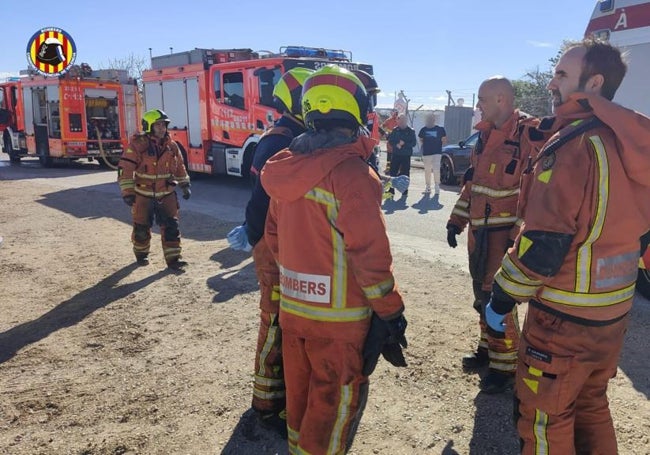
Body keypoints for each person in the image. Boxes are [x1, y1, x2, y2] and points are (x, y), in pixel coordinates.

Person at [485, 39, 650, 454]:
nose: (551, 84)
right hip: (611, 317)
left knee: (544, 420)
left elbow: (542, 245)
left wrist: (501, 298)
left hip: (563, 320)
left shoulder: (575, 144)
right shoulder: (628, 142)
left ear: (592, 82)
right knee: (591, 406)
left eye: (561, 75)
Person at [261, 64, 407, 454]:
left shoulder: (286, 169)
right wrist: (391, 311)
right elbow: (370, 255)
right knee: (333, 409)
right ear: (357, 110)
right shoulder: (353, 175)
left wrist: (301, 275)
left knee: (301, 404)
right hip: (340, 324)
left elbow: (273, 237)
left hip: (295, 314)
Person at [226, 67, 313, 438]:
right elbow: (261, 201)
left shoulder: (298, 136)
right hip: (272, 246)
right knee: (276, 322)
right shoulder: (280, 140)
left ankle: (283, 395)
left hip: (285, 244)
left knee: (288, 322)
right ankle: (266, 406)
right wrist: (254, 233)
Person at [446, 76, 541, 394]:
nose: (478, 106)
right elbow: (472, 186)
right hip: (479, 235)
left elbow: (538, 191)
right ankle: (487, 350)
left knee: (498, 300)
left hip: (505, 237)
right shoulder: (484, 137)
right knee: (481, 298)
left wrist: (519, 233)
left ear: (501, 99)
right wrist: (455, 221)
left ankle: (505, 368)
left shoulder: (528, 133)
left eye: (482, 100)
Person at [117, 109, 191, 270]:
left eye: (163, 125)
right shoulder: (137, 146)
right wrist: (128, 192)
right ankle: (141, 254)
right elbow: (125, 169)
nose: (161, 128)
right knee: (141, 228)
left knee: (172, 227)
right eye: (157, 125)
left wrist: (185, 184)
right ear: (149, 126)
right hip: (143, 195)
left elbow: (179, 167)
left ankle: (174, 260)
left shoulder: (172, 146)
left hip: (167, 194)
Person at [386, 114, 416, 197]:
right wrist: (396, 144)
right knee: (393, 172)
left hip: (406, 155)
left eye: (404, 120)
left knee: (405, 172)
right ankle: (391, 189)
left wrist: (404, 144)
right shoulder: (395, 130)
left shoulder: (411, 131)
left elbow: (413, 143)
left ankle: (405, 190)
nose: (402, 122)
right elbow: (391, 141)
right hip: (396, 154)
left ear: (406, 121)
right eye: (400, 120)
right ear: (398, 121)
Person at [418, 113, 447, 194]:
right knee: (427, 171)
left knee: (436, 170)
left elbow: (444, 140)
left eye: (431, 119)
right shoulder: (423, 130)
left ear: (434, 120)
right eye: (428, 119)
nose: (430, 120)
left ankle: (437, 186)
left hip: (437, 153)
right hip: (426, 153)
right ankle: (428, 187)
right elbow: (421, 139)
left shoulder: (440, 129)